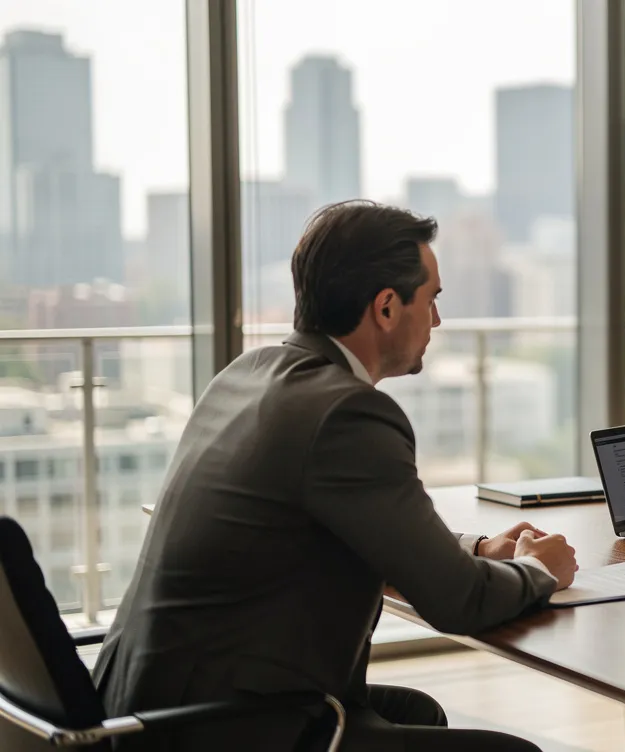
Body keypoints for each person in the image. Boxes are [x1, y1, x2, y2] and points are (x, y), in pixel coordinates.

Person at [93, 201, 578, 752]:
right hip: (220, 729)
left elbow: (353, 528)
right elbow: (458, 603)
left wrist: (476, 548)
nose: (438, 321)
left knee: (419, 711)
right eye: (433, 299)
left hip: (139, 705)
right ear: (388, 307)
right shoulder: (346, 414)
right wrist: (541, 570)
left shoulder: (246, 374)